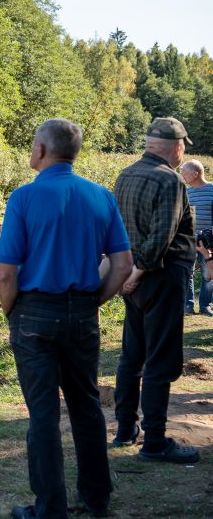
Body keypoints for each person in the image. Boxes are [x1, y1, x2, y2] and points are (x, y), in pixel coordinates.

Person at [0, 119, 132, 519]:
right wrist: (94, 303)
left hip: (34, 313)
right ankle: (97, 498)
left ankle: (49, 508)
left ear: (40, 149)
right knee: (86, 406)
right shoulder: (100, 196)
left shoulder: (23, 198)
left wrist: (12, 312)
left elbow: (6, 273)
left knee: (43, 415)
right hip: (82, 311)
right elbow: (122, 266)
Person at [113, 116, 199, 464]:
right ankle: (156, 442)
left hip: (132, 276)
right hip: (160, 275)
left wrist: (125, 273)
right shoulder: (170, 180)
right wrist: (138, 272)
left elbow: (116, 228)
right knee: (160, 360)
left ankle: (124, 430)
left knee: (131, 357)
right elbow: (162, 237)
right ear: (177, 147)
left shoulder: (125, 174)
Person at [181, 159, 213, 316]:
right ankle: (188, 306)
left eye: (184, 172)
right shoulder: (186, 193)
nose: (182, 175)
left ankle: (205, 306)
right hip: (190, 239)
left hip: (209, 240)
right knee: (188, 271)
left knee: (208, 273)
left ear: (195, 174)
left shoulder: (212, 189)